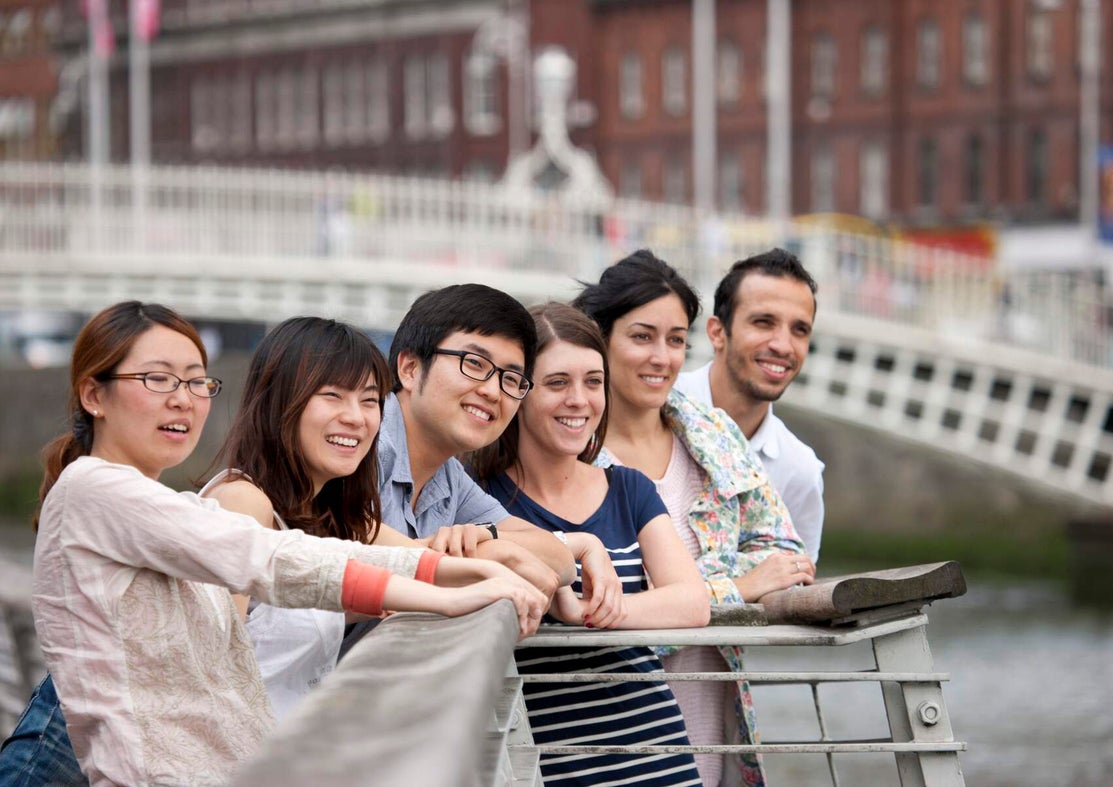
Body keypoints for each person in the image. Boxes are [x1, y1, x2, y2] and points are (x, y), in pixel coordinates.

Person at [1, 301, 545, 787]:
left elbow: (334, 557)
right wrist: (451, 592)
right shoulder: (111, 490)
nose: (184, 400)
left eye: (196, 382)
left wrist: (467, 572)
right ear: (94, 394)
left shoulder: (188, 506)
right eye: (159, 379)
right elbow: (276, 567)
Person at [574, 250, 816, 787]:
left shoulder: (712, 437)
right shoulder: (571, 457)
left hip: (710, 720)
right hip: (600, 730)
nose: (662, 357)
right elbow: (590, 609)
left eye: (676, 340)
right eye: (642, 336)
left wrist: (686, 595)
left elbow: (784, 552)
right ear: (599, 337)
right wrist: (741, 586)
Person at [471, 302, 710, 786]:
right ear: (518, 389)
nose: (579, 400)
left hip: (659, 755)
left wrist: (586, 612)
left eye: (593, 382)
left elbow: (692, 601)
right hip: (551, 764)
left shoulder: (628, 488)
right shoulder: (478, 499)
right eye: (557, 383)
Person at [361, 284, 623, 630]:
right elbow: (352, 551)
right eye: (474, 363)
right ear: (410, 368)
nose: (492, 390)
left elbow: (556, 561)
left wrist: (492, 543)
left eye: (511, 378)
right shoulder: (363, 441)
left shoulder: (449, 475)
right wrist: (492, 557)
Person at [675, 248, 826, 561]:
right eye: (763, 322)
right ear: (717, 333)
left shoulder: (800, 470)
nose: (783, 345)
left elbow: (797, 590)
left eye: (800, 330)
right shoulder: (656, 408)